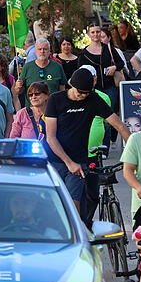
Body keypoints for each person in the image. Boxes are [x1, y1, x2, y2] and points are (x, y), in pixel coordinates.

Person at [45, 68, 131, 210]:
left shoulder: (93, 99)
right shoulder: (55, 99)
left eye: (87, 92)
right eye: (81, 92)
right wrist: (69, 162)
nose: (84, 95)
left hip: (79, 160)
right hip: (56, 160)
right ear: (72, 85)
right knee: (55, 206)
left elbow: (120, 126)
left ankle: (80, 230)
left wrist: (134, 151)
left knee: (74, 205)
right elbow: (51, 137)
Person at [16, 39, 67, 106]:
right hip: (32, 111)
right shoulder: (27, 67)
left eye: (45, 49)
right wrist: (18, 86)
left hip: (53, 109)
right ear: (35, 51)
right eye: (39, 49)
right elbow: (17, 92)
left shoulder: (57, 66)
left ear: (49, 51)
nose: (42, 51)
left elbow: (62, 90)